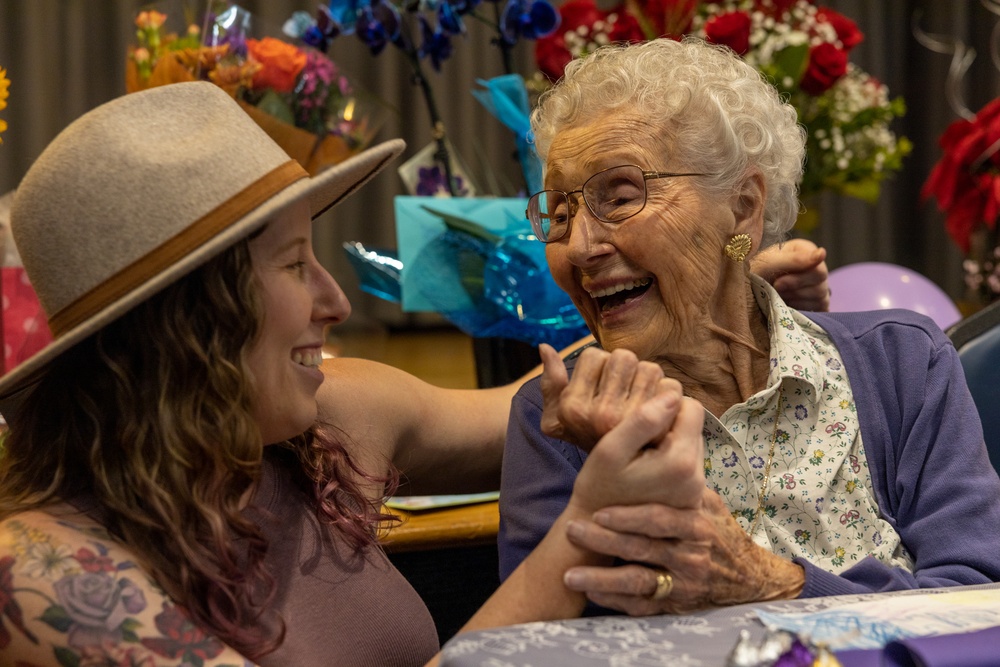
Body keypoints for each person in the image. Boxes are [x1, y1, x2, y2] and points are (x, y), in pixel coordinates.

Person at [0, 80, 733, 666]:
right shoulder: (42, 572)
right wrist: (580, 532)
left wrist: (719, 288)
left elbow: (537, 398)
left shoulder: (334, 419)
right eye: (294, 264)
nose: (335, 299)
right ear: (189, 324)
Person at [499, 36, 1000, 616]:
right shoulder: (555, 423)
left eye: (620, 196)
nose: (580, 245)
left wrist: (776, 582)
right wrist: (619, 475)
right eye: (560, 214)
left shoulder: (901, 363)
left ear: (742, 207)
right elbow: (541, 647)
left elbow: (980, 605)